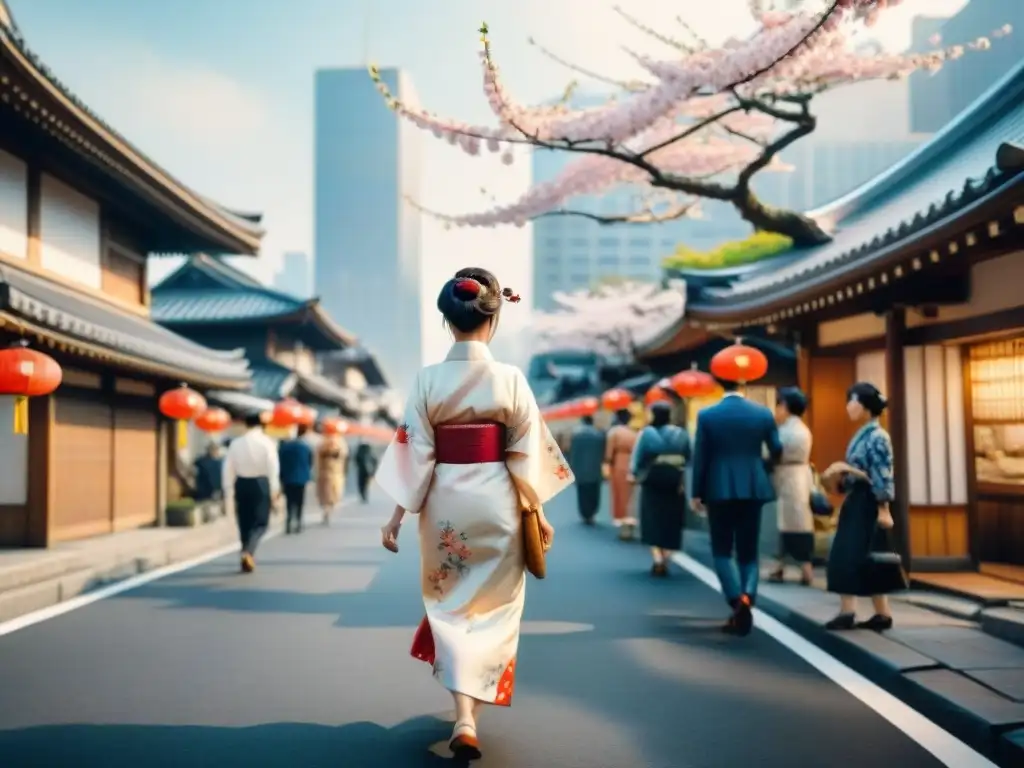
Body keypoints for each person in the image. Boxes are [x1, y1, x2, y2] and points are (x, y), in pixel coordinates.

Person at [376, 268, 572, 760]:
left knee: (451, 606)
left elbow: (414, 453)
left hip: (446, 504)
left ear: (448, 321)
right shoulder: (510, 378)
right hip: (500, 501)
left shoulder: (427, 381)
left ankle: (462, 716)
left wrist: (397, 516)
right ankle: (470, 718)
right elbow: (527, 452)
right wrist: (537, 509)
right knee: (496, 610)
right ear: (493, 318)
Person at [691, 378, 782, 636]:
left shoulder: (707, 415)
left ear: (721, 385)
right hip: (753, 485)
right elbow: (777, 449)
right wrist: (759, 463)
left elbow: (701, 456)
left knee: (721, 548)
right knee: (748, 550)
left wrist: (697, 492)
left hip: (718, 486)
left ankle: (734, 601)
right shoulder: (763, 413)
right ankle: (747, 596)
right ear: (744, 385)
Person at [822, 382, 897, 632]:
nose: (848, 406)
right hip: (858, 499)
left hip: (870, 501)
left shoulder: (877, 436)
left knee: (849, 554)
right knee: (863, 556)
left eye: (852, 401)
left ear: (865, 406)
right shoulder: (864, 433)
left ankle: (849, 611)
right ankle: (880, 613)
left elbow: (882, 474)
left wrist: (884, 507)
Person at [629, 401, 690, 577]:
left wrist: (635, 474)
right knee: (672, 521)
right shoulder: (681, 434)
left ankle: (657, 558)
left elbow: (637, 459)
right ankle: (667, 555)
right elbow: (689, 459)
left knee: (652, 520)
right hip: (674, 482)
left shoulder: (647, 434)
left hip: (652, 482)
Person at [768, 387, 815, 586]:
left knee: (795, 525)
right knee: (791, 523)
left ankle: (806, 570)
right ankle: (782, 566)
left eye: (779, 405)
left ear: (785, 407)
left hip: (791, 479)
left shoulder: (790, 430)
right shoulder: (797, 428)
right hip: (795, 477)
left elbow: (774, 451)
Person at [223, 411, 280, 573]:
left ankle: (245, 552)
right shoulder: (267, 442)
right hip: (261, 483)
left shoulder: (236, 443)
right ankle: (248, 551)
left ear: (245, 424)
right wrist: (274, 489)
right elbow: (273, 468)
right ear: (261, 424)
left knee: (244, 521)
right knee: (261, 522)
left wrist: (228, 489)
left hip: (241, 483)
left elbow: (228, 468)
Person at [604, 409, 639, 540]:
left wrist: (607, 467)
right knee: (631, 496)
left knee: (620, 496)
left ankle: (624, 528)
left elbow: (609, 453)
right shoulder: (634, 433)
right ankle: (631, 525)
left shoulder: (614, 432)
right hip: (632, 464)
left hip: (619, 465)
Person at [569, 414, 606, 525]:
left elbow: (573, 454)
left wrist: (572, 468)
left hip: (581, 469)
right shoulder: (599, 435)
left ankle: (585, 513)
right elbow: (603, 453)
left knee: (582, 492)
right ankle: (592, 512)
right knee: (594, 492)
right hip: (595, 468)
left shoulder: (576, 436)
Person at [279, 424, 314, 534]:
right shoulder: (306, 447)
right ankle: (298, 522)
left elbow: (280, 462)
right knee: (299, 501)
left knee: (289, 501)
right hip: (301, 478)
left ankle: (289, 521)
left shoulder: (285, 446)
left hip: (288, 477)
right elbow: (310, 462)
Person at [316, 430, 349, 525]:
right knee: (333, 496)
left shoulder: (321, 444)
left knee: (325, 496)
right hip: (336, 474)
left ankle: (326, 511)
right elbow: (344, 457)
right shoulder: (341, 443)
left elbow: (317, 459)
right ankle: (328, 511)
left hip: (324, 474)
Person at [193, 441, 224, 521]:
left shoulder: (201, 461)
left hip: (205, 489)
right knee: (210, 505)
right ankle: (209, 517)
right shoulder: (219, 462)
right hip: (211, 489)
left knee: (208, 505)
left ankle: (208, 517)